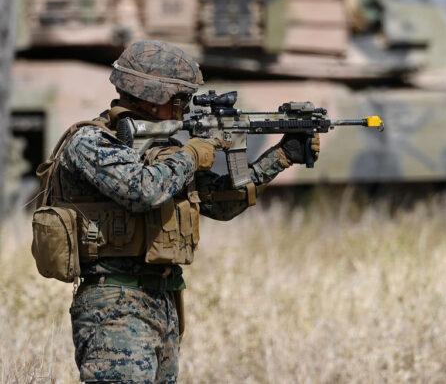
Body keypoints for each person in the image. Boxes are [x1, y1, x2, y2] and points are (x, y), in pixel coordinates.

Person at [40, 40, 319, 383]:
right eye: (179, 100)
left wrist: (281, 156)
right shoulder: (91, 142)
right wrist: (193, 153)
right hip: (114, 306)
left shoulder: (166, 149)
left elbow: (219, 203)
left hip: (163, 299)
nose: (184, 108)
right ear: (151, 95)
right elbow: (142, 190)